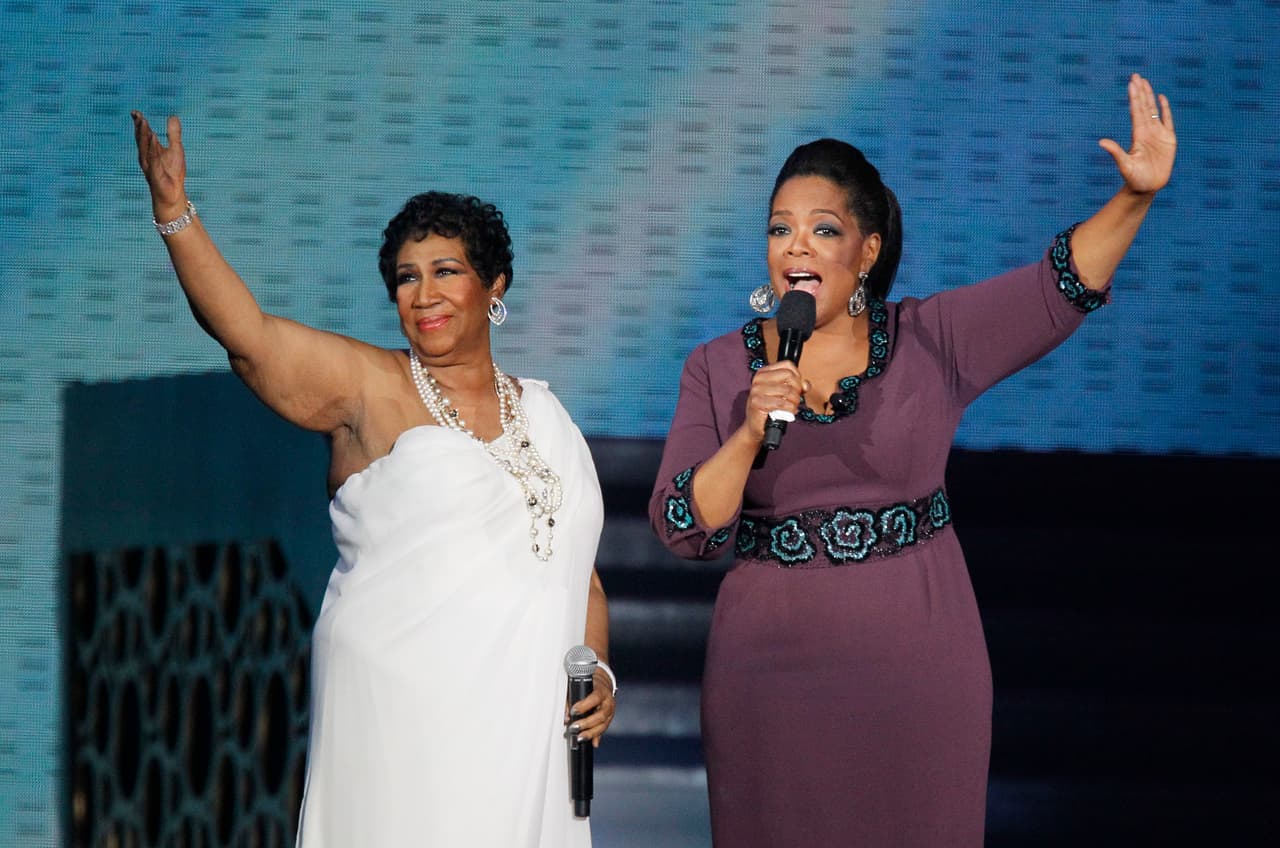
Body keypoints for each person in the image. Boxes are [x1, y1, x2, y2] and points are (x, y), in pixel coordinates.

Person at [648, 74, 1176, 845]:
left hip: (918, 670)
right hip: (767, 678)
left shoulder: (932, 339)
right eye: (779, 229)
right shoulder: (718, 369)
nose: (795, 246)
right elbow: (681, 526)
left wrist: (1135, 199)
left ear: (866, 251)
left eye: (822, 230)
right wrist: (750, 429)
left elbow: (1056, 288)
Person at [131, 111, 616, 847]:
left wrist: (599, 675)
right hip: (402, 709)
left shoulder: (549, 417)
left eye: (446, 272)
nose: (423, 295)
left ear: (496, 287)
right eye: (406, 279)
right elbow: (250, 337)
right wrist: (176, 215)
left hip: (526, 724)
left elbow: (579, 579)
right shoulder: (370, 386)